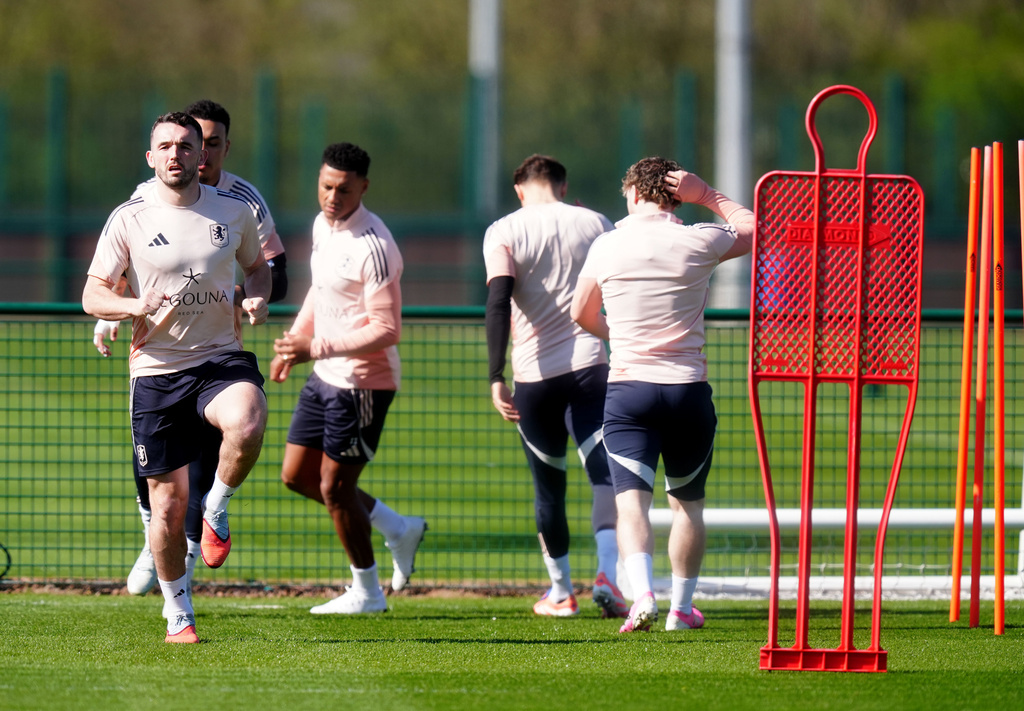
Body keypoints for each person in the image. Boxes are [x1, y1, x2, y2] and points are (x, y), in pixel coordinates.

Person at [83, 112, 271, 643]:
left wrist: (256, 292)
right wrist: (133, 304)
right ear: (151, 157)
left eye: (186, 146)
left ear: (202, 155)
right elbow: (92, 293)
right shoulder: (129, 218)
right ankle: (178, 610)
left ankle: (216, 506)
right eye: (164, 146)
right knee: (165, 508)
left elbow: (258, 266)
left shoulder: (235, 211)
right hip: (157, 371)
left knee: (249, 419)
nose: (176, 155)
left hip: (218, 358)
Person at [570, 157, 754, 633]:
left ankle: (644, 596)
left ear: (632, 194)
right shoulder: (699, 238)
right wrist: (708, 194)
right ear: (677, 195)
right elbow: (761, 230)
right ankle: (681, 610)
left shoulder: (607, 244)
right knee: (687, 506)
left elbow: (580, 312)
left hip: (629, 390)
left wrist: (619, 337)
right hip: (687, 391)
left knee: (631, 503)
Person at [270, 142, 426, 615]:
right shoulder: (323, 226)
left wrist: (314, 346)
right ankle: (398, 528)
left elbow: (387, 328)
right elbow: (319, 293)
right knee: (297, 477)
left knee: (336, 489)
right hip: (323, 375)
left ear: (363, 187)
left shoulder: (374, 246)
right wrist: (294, 344)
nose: (332, 196)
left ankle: (368, 592)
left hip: (363, 383)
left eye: (342, 188)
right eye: (325, 186)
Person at [483, 154, 626, 619]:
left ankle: (561, 593)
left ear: (519, 190)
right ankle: (609, 575)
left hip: (533, 375)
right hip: (591, 368)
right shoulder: (596, 221)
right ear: (563, 187)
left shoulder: (504, 229)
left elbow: (498, 302)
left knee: (549, 489)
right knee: (605, 476)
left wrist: (495, 376)